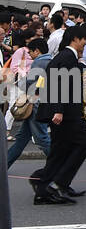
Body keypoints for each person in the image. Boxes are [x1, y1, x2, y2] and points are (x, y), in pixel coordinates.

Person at [30, 24, 86, 205]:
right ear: (75, 39)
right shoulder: (67, 57)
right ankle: (58, 183)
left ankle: (44, 185)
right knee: (82, 143)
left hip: (64, 111)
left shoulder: (67, 57)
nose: (85, 43)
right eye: (84, 40)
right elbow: (58, 85)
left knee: (60, 151)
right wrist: (58, 110)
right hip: (65, 113)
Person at [5, 38, 50, 167]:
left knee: (41, 138)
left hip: (35, 103)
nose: (29, 55)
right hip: (38, 102)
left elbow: (30, 82)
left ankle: (58, 163)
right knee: (22, 138)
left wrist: (18, 83)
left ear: (37, 51)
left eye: (30, 52)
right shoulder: (49, 60)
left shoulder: (39, 62)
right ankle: (5, 165)